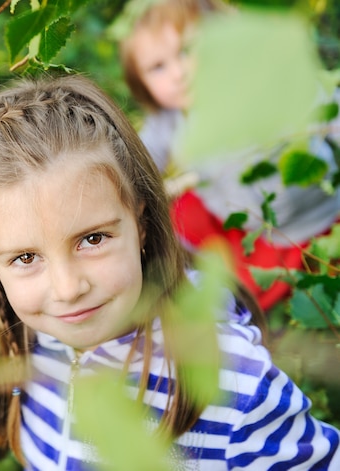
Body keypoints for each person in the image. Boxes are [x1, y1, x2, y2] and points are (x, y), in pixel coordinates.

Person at [0, 74, 340, 470]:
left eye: (92, 239)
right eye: (25, 258)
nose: (68, 288)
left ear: (141, 222)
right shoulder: (32, 334)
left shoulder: (236, 383)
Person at [114, 0, 340, 311]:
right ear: (142, 82)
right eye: (158, 67)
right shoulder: (170, 121)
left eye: (187, 51)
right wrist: (117, 185)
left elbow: (327, 106)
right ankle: (207, 281)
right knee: (179, 213)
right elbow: (138, 159)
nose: (178, 73)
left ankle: (309, 270)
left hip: (319, 214)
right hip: (255, 232)